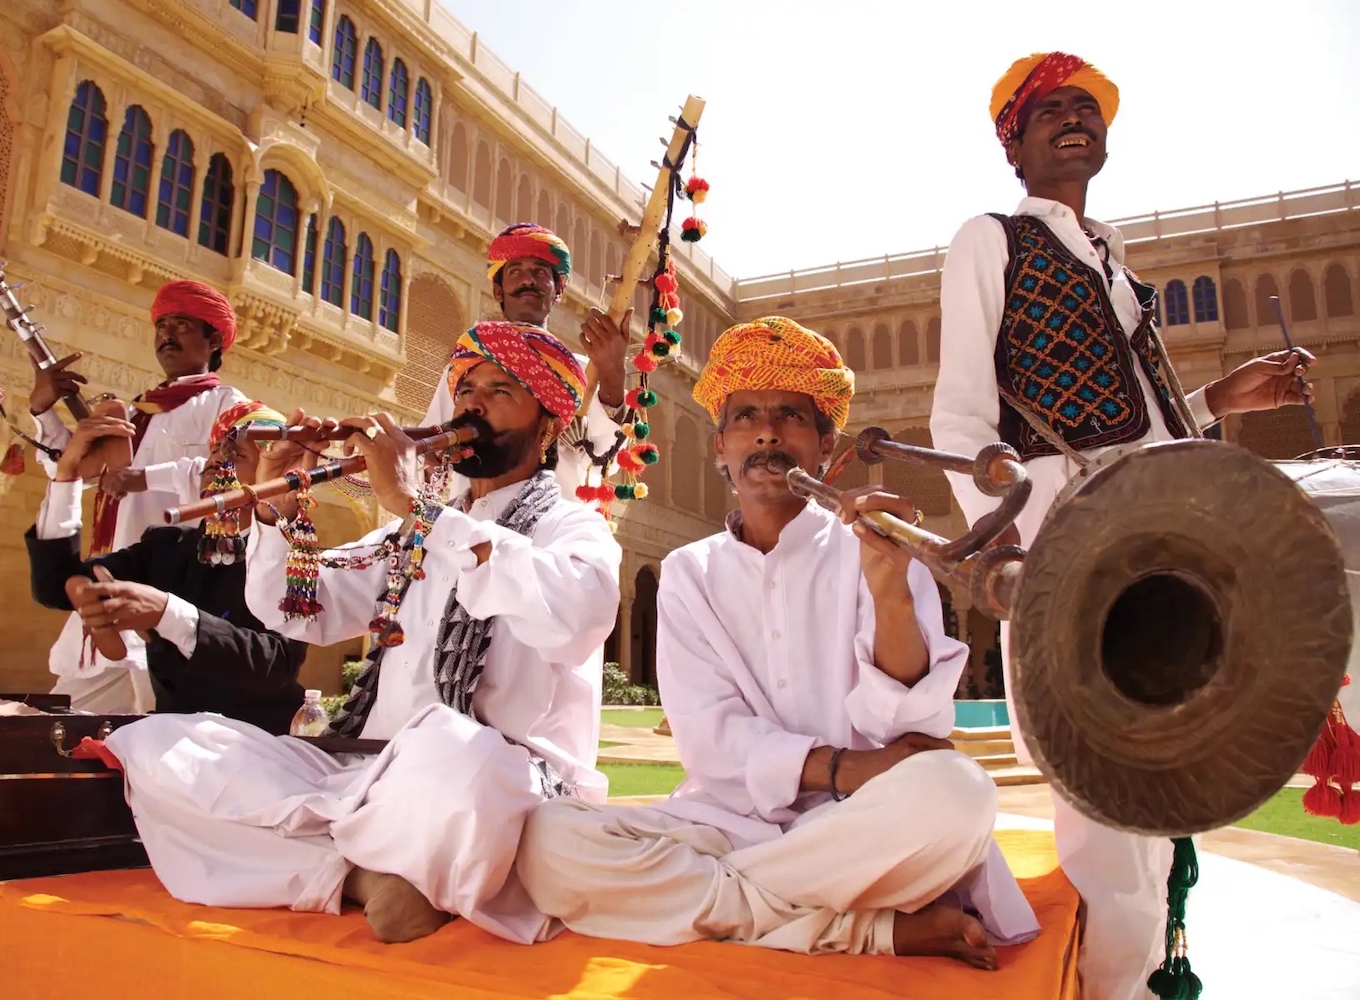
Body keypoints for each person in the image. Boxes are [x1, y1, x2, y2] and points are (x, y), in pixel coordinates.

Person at [929, 52, 1314, 1000]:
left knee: (1157, 796)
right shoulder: (991, 240)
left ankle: (1139, 982)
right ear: (1014, 146)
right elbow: (960, 418)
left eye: (1087, 109)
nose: (1074, 120)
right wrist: (1018, 547)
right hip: (1067, 543)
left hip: (1157, 539)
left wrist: (1221, 399)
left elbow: (1144, 428)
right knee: (1105, 814)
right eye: (1050, 111)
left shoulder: (1118, 265)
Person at [517, 318, 1036, 968]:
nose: (766, 433)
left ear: (826, 447)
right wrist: (844, 766)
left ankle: (732, 907)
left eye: (790, 415)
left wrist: (890, 592)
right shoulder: (689, 573)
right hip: (726, 823)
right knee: (546, 838)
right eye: (747, 417)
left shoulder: (880, 546)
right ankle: (861, 928)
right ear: (721, 447)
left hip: (859, 825)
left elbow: (913, 733)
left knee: (958, 794)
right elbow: (709, 741)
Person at [101, 320, 621, 946]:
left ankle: (334, 857)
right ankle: (365, 876)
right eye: (465, 390)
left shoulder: (572, 528)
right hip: (366, 774)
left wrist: (418, 509)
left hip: (480, 782)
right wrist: (278, 511)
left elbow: (574, 618)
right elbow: (300, 609)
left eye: (499, 391)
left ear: (549, 426)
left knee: (464, 753)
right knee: (163, 745)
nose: (472, 405)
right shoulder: (411, 534)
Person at [29, 280, 250, 712]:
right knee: (66, 722)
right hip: (111, 581)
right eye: (161, 326)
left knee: (157, 725)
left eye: (182, 325)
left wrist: (144, 478)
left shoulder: (228, 405)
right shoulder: (136, 411)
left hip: (171, 594)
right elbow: (71, 470)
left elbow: (234, 475)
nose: (167, 335)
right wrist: (43, 409)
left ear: (214, 341)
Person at [25, 400, 307, 734]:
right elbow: (57, 586)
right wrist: (67, 474)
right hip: (169, 740)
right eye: (215, 449)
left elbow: (275, 663)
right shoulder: (167, 547)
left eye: (236, 454)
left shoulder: (290, 559)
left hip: (255, 744)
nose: (217, 459)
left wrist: (167, 614)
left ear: (270, 478)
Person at [424, 223, 631, 502]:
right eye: (515, 271)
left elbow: (606, 462)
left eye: (540, 272)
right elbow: (431, 452)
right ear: (498, 291)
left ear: (558, 291)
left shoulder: (583, 372)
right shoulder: (467, 368)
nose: (528, 280)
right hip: (474, 521)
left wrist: (612, 377)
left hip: (556, 520)